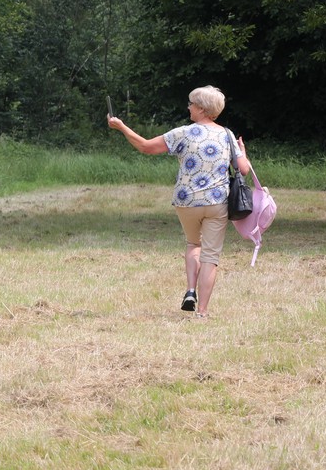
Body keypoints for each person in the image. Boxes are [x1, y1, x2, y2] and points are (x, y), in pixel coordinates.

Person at [108, 85, 254, 318]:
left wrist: (121, 127)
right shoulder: (227, 135)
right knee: (210, 257)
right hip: (217, 203)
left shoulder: (183, 133)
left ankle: (190, 291)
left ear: (202, 109)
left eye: (191, 104)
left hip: (187, 202)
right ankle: (202, 312)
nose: (189, 107)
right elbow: (243, 169)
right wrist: (242, 152)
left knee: (194, 244)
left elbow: (146, 147)